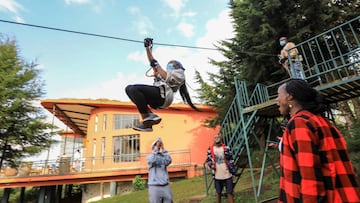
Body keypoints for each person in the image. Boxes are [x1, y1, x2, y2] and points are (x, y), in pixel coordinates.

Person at [275, 79, 360, 202]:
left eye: (278, 95)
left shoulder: (299, 123)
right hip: (342, 194)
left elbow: (310, 175)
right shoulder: (321, 121)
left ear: (290, 97)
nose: (276, 100)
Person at [125, 38, 200, 132]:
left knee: (134, 89)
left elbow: (166, 76)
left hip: (164, 96)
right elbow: (152, 61)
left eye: (172, 63)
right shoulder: (162, 71)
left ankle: (147, 117)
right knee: (128, 89)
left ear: (178, 66)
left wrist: (157, 66)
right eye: (168, 64)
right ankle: (148, 121)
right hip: (156, 99)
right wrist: (148, 48)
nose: (169, 65)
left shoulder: (180, 74)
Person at [206, 134, 236, 203]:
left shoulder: (226, 148)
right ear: (213, 139)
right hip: (217, 175)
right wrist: (210, 166)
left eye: (218, 137)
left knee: (229, 192)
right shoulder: (210, 149)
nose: (216, 138)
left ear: (221, 138)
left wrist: (233, 172)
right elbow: (209, 160)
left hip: (227, 174)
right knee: (218, 193)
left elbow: (231, 160)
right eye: (215, 137)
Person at [147, 137, 173, 203]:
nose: (158, 146)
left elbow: (169, 160)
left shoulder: (163, 156)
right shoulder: (150, 156)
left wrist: (163, 148)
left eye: (158, 144)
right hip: (154, 186)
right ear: (153, 147)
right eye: (155, 145)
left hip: (165, 186)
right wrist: (156, 148)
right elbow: (151, 160)